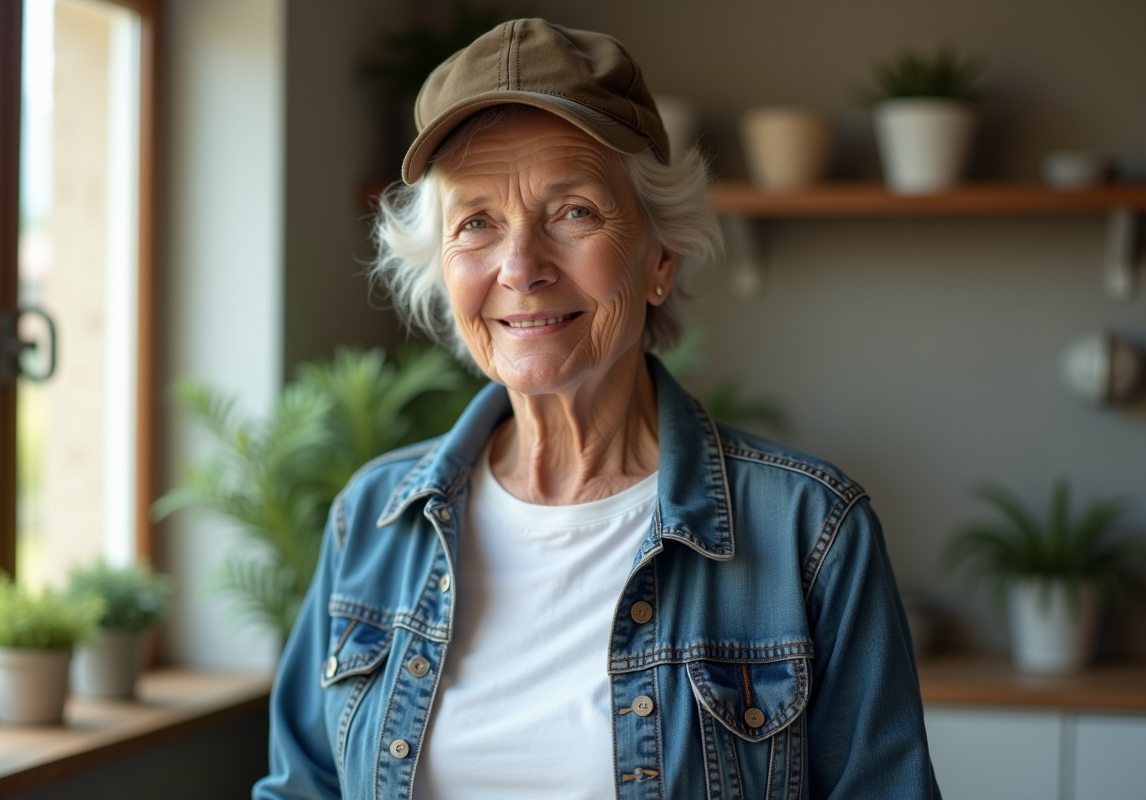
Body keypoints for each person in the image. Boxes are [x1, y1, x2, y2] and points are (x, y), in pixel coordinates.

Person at [254, 18, 941, 800]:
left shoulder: (809, 534)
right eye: (476, 222)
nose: (520, 267)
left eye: (573, 212)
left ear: (659, 257)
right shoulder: (372, 519)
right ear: (443, 274)